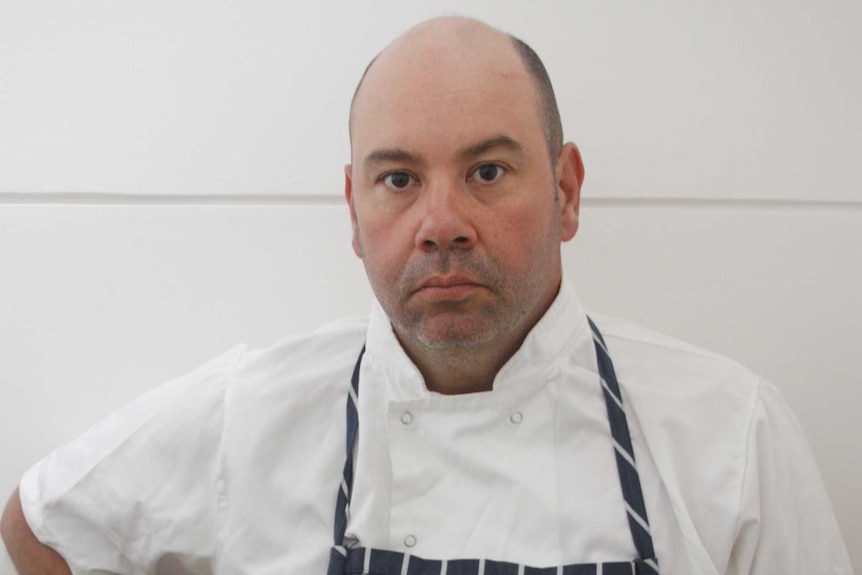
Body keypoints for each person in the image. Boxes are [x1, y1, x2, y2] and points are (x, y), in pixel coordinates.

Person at [1, 15, 853, 575]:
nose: (441, 223)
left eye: (487, 170)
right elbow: (41, 523)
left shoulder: (731, 437)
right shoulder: (251, 418)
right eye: (399, 178)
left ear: (567, 190)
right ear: (354, 208)